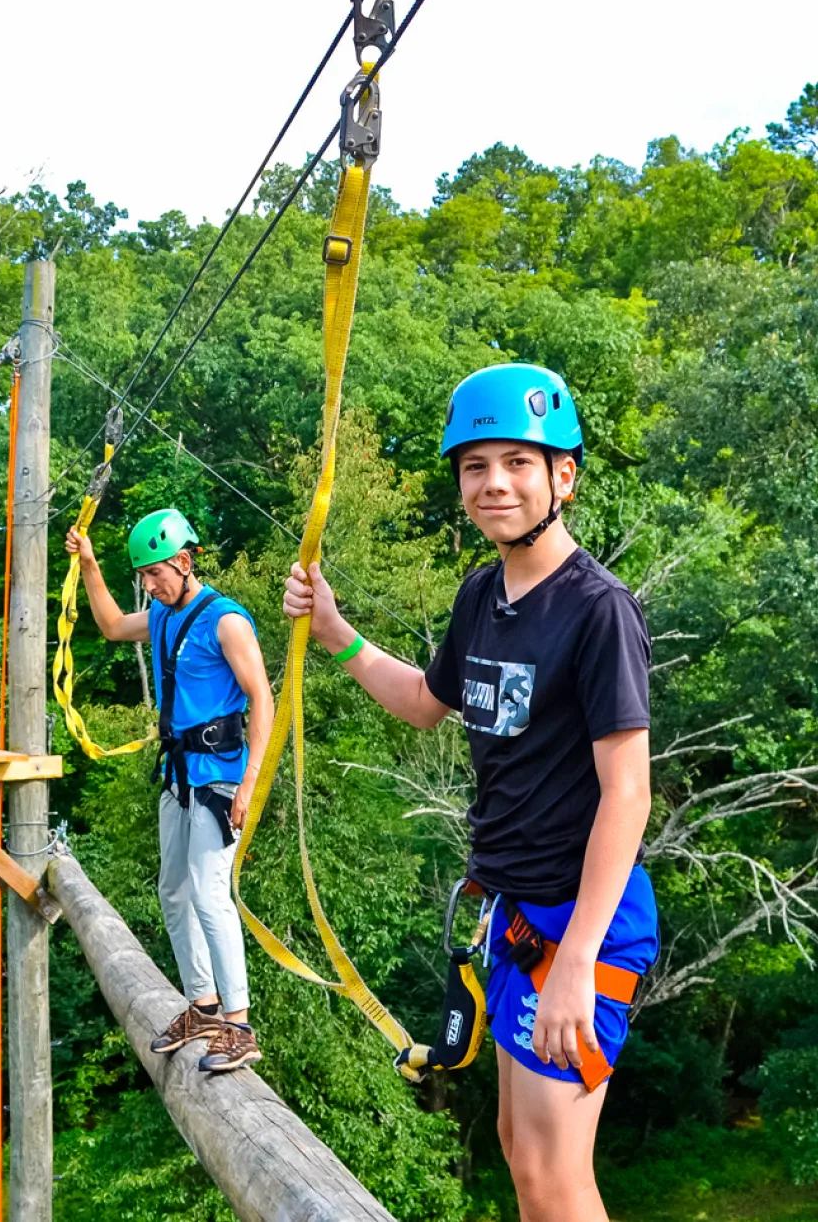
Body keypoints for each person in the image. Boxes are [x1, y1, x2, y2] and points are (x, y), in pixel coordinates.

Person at [283, 364, 657, 1222]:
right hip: (519, 916)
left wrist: (572, 967)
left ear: (564, 475)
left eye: (519, 463)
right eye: (474, 465)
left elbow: (626, 796)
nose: (494, 484)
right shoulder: (481, 595)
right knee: (524, 1160)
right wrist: (338, 635)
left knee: (559, 1179)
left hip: (581, 923)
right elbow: (425, 703)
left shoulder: (598, 611)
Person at [66, 506, 274, 1073]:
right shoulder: (160, 615)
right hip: (178, 775)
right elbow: (111, 626)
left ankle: (239, 1024)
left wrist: (249, 785)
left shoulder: (226, 621)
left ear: (184, 562)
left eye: (157, 574)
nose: (151, 587)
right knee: (174, 891)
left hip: (220, 776)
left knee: (209, 892)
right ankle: (202, 1006)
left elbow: (264, 700)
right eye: (144, 578)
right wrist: (89, 565)